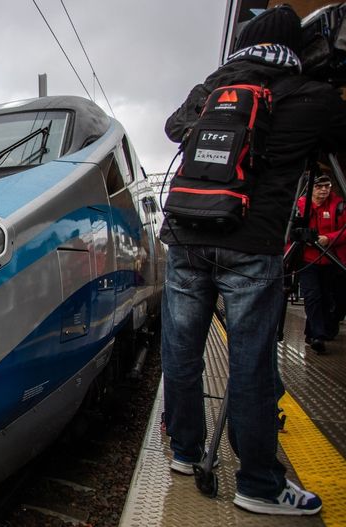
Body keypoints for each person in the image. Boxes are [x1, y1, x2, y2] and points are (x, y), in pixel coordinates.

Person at [160, 5, 346, 516]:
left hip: (186, 236)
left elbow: (174, 128)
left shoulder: (213, 87)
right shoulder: (313, 94)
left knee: (181, 353)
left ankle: (184, 451)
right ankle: (259, 483)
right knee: (251, 363)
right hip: (252, 244)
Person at [295, 174, 346, 354]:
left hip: (332, 260)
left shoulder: (339, 206)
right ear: (310, 188)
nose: (324, 190)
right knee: (312, 295)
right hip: (307, 260)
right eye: (319, 186)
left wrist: (328, 239)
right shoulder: (299, 207)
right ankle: (318, 336)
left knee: (328, 298)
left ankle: (314, 332)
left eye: (327, 186)